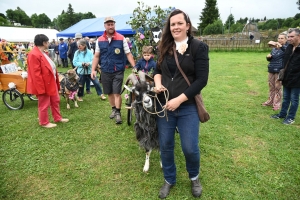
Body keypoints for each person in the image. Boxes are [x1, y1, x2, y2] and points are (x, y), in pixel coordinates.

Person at [153, 9, 209, 198]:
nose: (175, 27)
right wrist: (158, 84)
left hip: (187, 107)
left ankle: (194, 177)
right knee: (166, 145)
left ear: (187, 25)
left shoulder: (198, 47)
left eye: (179, 23)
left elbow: (202, 80)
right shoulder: (164, 46)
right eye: (172, 24)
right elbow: (157, 70)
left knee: (189, 147)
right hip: (164, 106)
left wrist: (178, 100)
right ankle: (169, 179)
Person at [91, 16, 136, 124]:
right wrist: (93, 70)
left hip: (118, 70)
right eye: (108, 24)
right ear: (105, 25)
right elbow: (97, 56)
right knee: (109, 92)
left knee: (116, 92)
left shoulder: (121, 38)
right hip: (105, 70)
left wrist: (134, 67)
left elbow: (128, 54)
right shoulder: (99, 40)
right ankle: (113, 109)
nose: (110, 26)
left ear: (114, 25)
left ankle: (118, 113)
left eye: (112, 24)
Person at [26, 34, 69, 128]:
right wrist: (41, 88)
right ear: (44, 43)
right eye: (47, 42)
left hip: (51, 81)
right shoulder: (33, 54)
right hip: (43, 84)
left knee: (55, 100)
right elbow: (35, 74)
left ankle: (57, 118)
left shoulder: (43, 53)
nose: (49, 43)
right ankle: (44, 122)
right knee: (44, 103)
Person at [271, 28, 300, 125]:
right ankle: (282, 114)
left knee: (294, 99)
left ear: (298, 36)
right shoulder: (289, 47)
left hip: (297, 79)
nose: (289, 38)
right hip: (287, 78)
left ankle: (291, 117)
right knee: (286, 98)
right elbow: (285, 59)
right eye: (288, 36)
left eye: (292, 36)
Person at [262, 33, 288, 110]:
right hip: (271, 69)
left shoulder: (287, 47)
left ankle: (277, 104)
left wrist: (281, 47)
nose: (280, 40)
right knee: (271, 87)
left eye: (282, 38)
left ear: (286, 39)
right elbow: (271, 58)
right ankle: (270, 101)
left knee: (278, 87)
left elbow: (288, 54)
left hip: (279, 70)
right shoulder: (274, 48)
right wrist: (268, 57)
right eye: (279, 38)